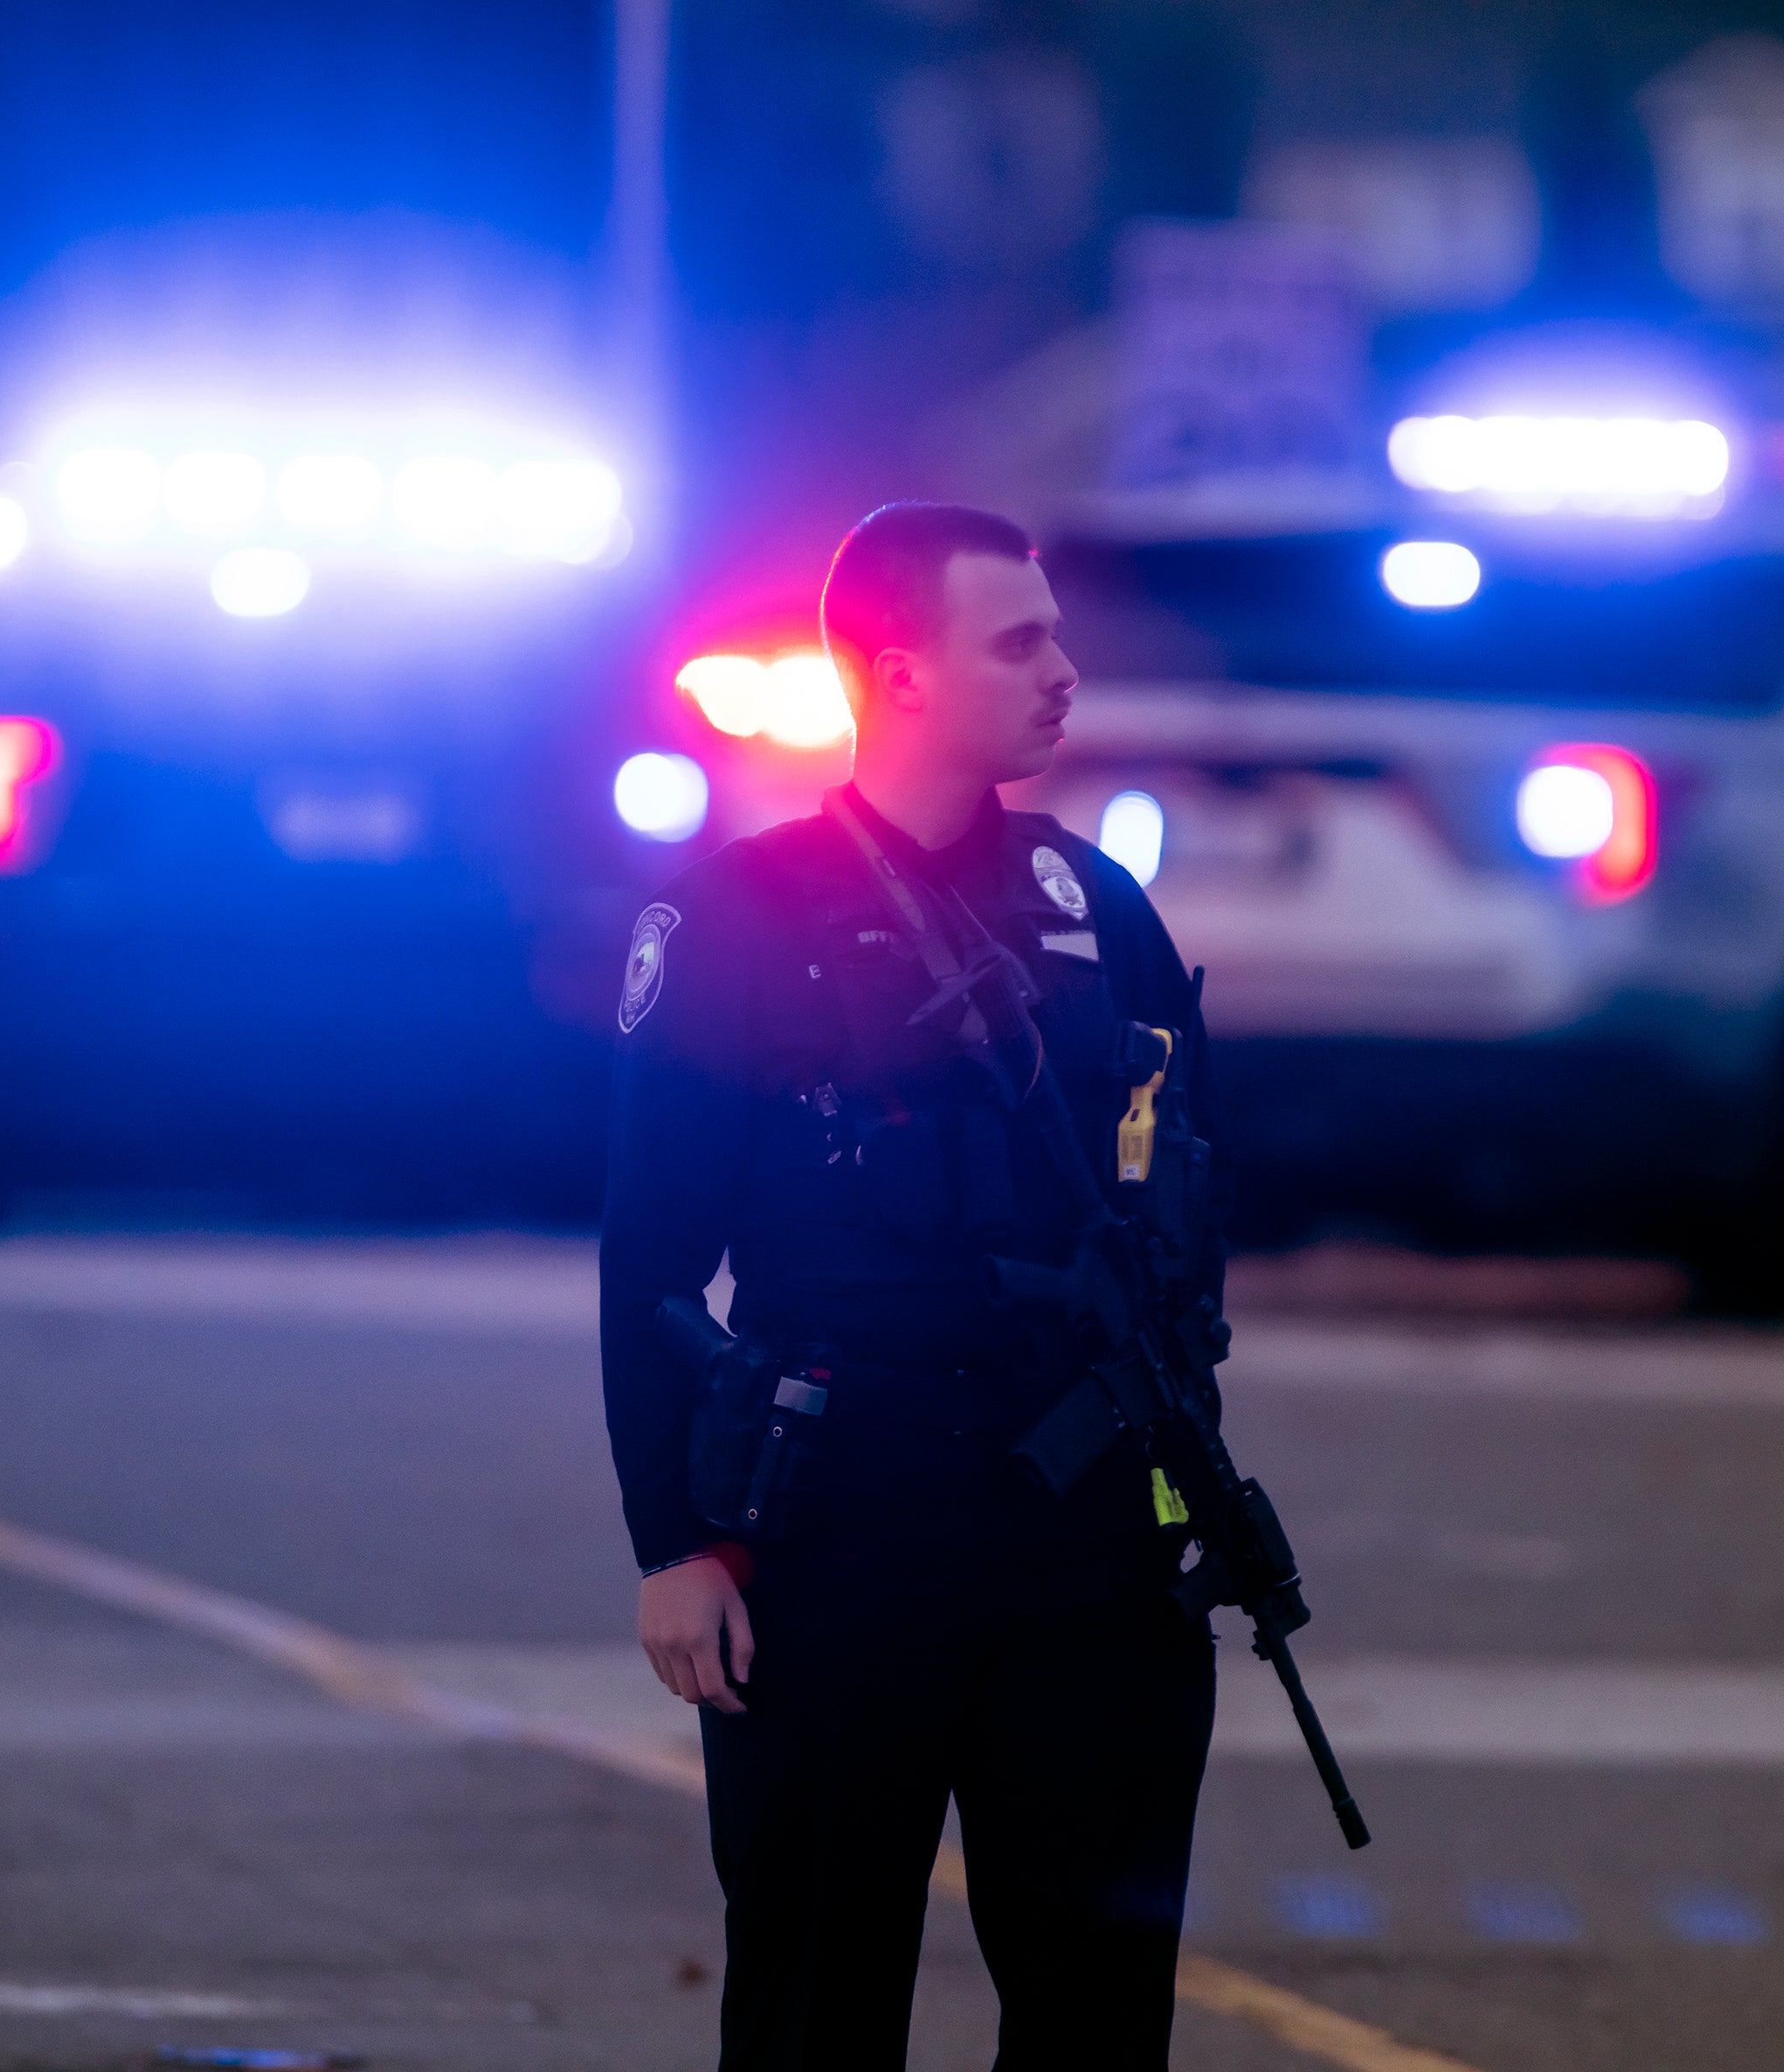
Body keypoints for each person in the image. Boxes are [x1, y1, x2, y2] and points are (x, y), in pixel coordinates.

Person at [600, 502, 1222, 2069]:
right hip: (840, 1533)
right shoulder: (736, 918)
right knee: (817, 2000)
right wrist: (677, 1544)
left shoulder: (1105, 915)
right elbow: (652, 1256)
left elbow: (1184, 1213)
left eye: (1059, 633)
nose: (1065, 670)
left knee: (1099, 2016)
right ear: (902, 673)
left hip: (1085, 1542)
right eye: (1018, 640)